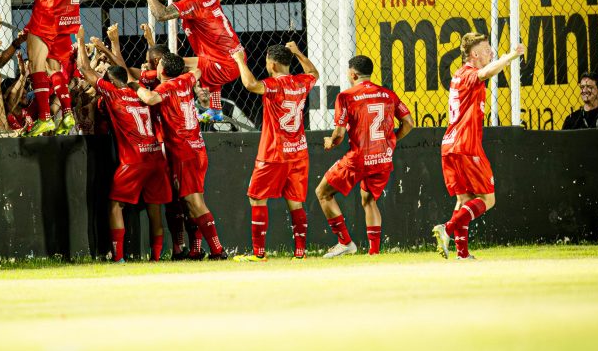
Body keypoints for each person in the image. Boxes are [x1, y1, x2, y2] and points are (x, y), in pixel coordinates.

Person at [76, 27, 171, 263]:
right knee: (154, 209)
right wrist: (112, 45)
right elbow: (125, 71)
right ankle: (157, 258)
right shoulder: (141, 91)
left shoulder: (113, 93)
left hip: (134, 161)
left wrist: (79, 41)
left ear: (109, 81)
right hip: (156, 158)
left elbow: (85, 70)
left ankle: (118, 257)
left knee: (115, 206)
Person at [432, 33, 525, 260]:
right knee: (488, 200)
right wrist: (512, 55)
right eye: (486, 50)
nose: (491, 53)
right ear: (474, 55)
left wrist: (500, 58)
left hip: (450, 146)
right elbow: (486, 72)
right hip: (466, 145)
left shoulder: (459, 75)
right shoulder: (469, 74)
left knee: (464, 201)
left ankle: (462, 254)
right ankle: (448, 228)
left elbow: (487, 71)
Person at [131, 51, 229, 260]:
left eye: (159, 65)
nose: (155, 67)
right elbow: (199, 69)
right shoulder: (186, 79)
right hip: (196, 148)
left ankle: (218, 250)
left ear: (163, 70)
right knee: (189, 202)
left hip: (184, 151)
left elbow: (149, 98)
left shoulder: (166, 87)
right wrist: (179, 67)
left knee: (194, 203)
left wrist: (134, 85)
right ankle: (195, 249)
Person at [316, 55, 414, 258]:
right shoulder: (388, 94)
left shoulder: (346, 96)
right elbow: (409, 123)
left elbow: (339, 135)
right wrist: (391, 141)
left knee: (323, 193)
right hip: (383, 157)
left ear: (353, 74)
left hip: (359, 157)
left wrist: (329, 142)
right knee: (369, 200)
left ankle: (345, 242)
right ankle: (374, 252)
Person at [2, 0, 89, 137]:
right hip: (67, 19)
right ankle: (67, 113)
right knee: (54, 68)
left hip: (46, 16)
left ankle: (45, 118)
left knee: (37, 66)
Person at [231, 43, 319, 261]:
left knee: (257, 198)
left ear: (273, 64)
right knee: (295, 202)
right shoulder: (301, 82)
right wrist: (298, 52)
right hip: (298, 153)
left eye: (267, 62)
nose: (266, 65)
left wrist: (240, 60)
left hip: (273, 153)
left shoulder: (273, 85)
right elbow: (314, 73)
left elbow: (250, 84)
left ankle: (259, 254)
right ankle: (301, 252)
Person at [133, 0, 242, 123]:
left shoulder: (192, 3)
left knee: (167, 64)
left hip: (223, 65)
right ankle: (215, 110)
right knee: (202, 64)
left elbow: (161, 15)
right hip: (235, 59)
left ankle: (169, 104)